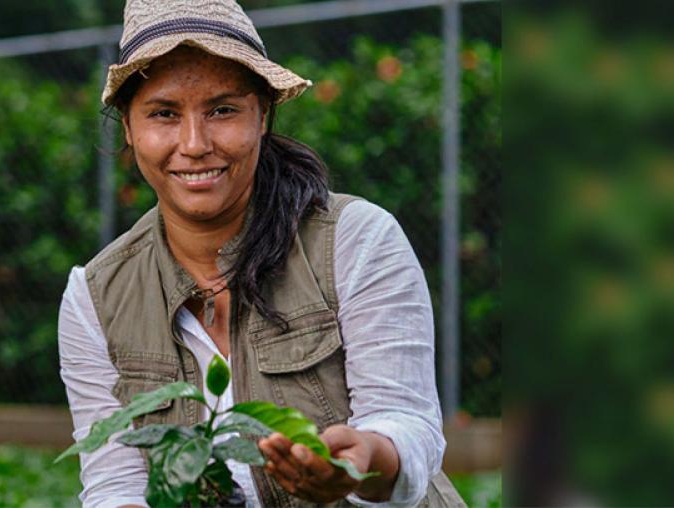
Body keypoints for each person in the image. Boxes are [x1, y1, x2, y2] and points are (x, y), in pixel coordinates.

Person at [58, 1, 451, 506]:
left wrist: (365, 457)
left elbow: (409, 423)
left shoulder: (356, 239)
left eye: (223, 110)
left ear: (263, 115)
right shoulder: (95, 297)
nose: (194, 143)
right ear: (130, 129)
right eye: (163, 114)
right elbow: (115, 483)